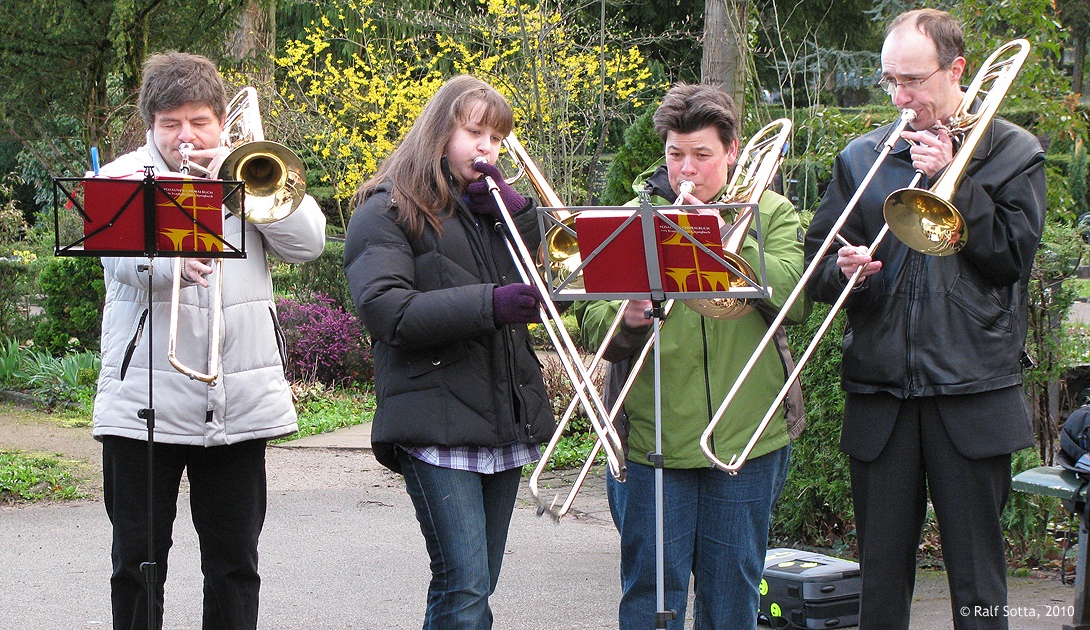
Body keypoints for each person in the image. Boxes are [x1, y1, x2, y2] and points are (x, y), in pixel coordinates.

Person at [803, 9, 1046, 630]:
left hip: (972, 392)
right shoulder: (862, 156)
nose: (900, 97)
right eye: (890, 81)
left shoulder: (1012, 151)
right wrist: (845, 269)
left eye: (912, 80)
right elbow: (816, 266)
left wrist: (953, 182)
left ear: (956, 69)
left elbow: (1011, 259)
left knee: (979, 584)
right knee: (880, 586)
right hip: (881, 395)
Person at [92, 51, 326, 629]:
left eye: (199, 122)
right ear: (150, 125)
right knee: (136, 564)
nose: (186, 136)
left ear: (221, 122)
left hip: (236, 400)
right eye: (170, 123)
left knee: (234, 565)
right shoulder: (120, 179)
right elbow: (115, 259)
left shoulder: (251, 173)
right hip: (142, 401)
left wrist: (243, 181)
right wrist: (167, 265)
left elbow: (309, 245)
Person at [575, 83, 809, 630]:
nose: (687, 170)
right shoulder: (632, 218)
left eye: (702, 155)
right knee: (650, 596)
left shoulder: (769, 212)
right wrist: (627, 318)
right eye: (675, 154)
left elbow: (796, 298)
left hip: (747, 438)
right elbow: (591, 320)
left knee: (733, 598)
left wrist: (727, 240)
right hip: (652, 439)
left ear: (731, 152)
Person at [342, 75, 556, 629]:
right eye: (475, 132)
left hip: (502, 418)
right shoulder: (385, 210)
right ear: (440, 131)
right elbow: (388, 312)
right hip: (434, 422)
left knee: (478, 584)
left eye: (497, 138)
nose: (488, 148)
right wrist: (490, 303)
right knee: (463, 584)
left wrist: (518, 216)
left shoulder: (491, 210)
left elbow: (544, 286)